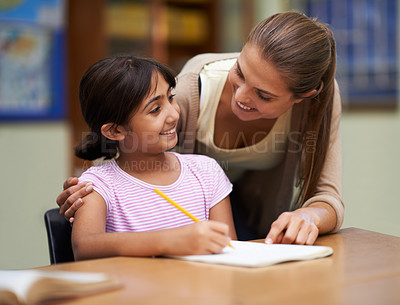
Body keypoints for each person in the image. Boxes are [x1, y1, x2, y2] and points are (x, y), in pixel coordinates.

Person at [57, 11, 344, 245]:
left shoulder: (318, 105)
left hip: (258, 228)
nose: (242, 97)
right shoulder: (190, 89)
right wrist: (87, 194)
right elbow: (128, 142)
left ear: (303, 97)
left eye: (264, 95)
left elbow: (327, 195)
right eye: (239, 72)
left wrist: (310, 216)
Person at [70, 55, 236, 260]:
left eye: (171, 97)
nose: (174, 114)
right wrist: (170, 240)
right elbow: (84, 247)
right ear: (114, 131)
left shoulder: (206, 171)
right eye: (155, 109)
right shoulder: (98, 185)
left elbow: (230, 251)